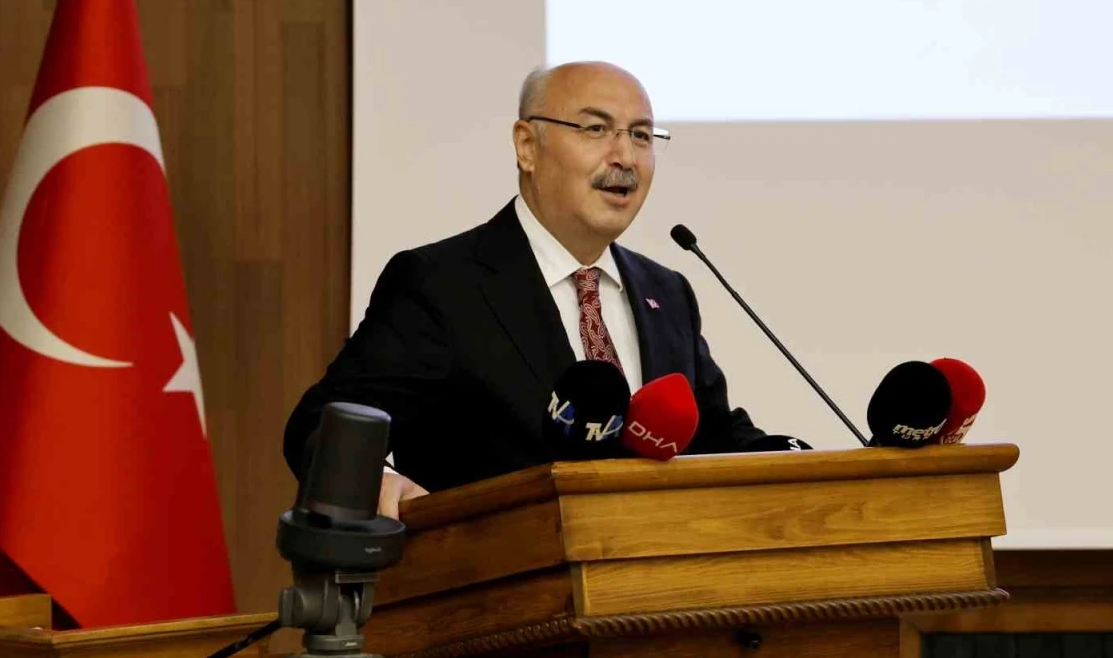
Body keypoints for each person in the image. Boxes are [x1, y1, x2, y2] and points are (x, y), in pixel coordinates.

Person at [283, 61, 774, 518]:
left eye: (641, 135)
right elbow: (323, 423)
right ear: (527, 146)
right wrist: (377, 481)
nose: (625, 156)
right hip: (493, 575)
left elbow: (714, 435)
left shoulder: (666, 292)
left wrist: (805, 465)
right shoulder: (441, 284)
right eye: (596, 129)